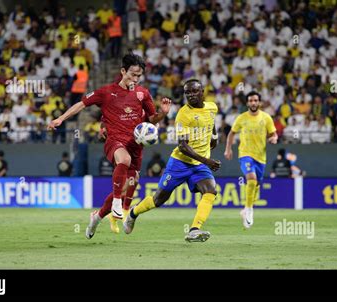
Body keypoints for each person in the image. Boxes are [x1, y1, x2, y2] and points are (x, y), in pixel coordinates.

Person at [47, 53, 172, 238]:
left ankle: (96, 217)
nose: (136, 79)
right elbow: (81, 105)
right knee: (124, 160)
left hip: (136, 144)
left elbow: (152, 120)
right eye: (133, 74)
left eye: (139, 75)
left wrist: (163, 112)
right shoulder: (106, 92)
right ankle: (116, 203)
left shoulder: (142, 93)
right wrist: (60, 119)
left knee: (129, 183)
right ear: (123, 71)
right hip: (115, 141)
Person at [123, 79, 221, 243]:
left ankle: (194, 230)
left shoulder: (212, 107)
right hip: (180, 163)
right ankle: (133, 213)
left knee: (211, 191)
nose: (190, 95)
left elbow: (211, 123)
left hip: (199, 165)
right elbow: (182, 146)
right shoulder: (183, 114)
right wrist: (207, 160)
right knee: (158, 200)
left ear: (202, 91)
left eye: (194, 91)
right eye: (187, 92)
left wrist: (215, 137)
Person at [224, 91, 278, 229]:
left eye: (255, 100)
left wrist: (274, 138)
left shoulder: (266, 118)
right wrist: (228, 149)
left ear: (259, 102)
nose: (253, 103)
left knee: (256, 185)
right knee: (251, 179)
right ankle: (249, 210)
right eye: (250, 100)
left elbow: (273, 133)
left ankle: (246, 208)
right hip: (245, 154)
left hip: (261, 157)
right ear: (247, 103)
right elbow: (231, 133)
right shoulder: (241, 118)